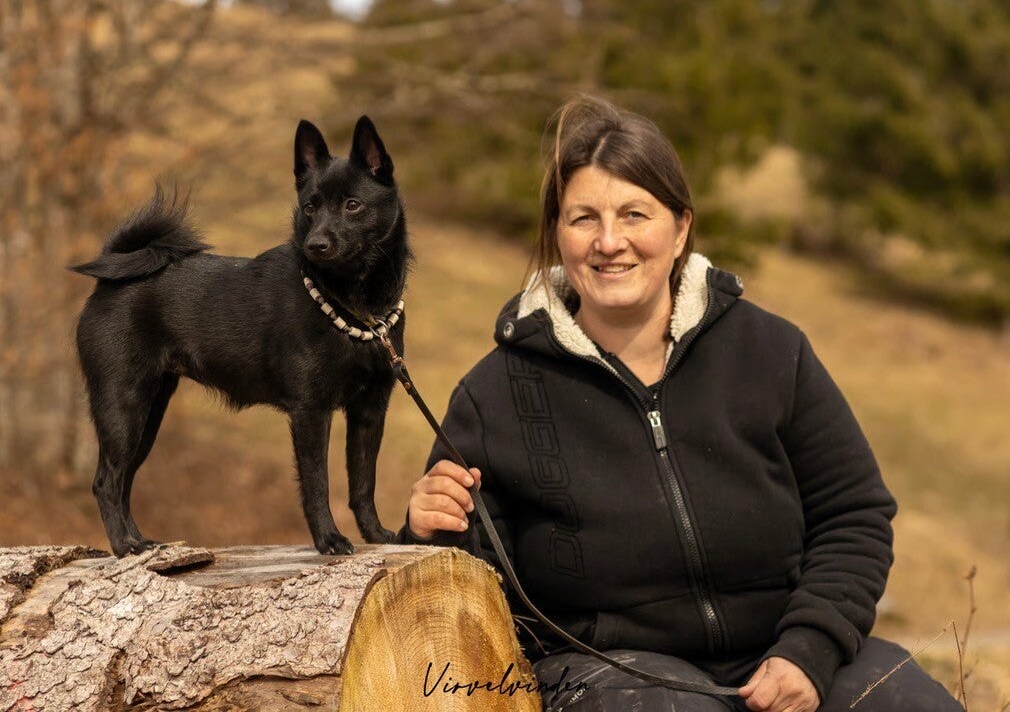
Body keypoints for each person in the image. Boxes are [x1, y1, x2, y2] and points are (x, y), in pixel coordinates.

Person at [397, 95, 961, 712]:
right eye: (583, 218)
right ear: (557, 234)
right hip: (606, 671)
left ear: (681, 227)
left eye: (634, 214)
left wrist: (809, 649)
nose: (609, 241)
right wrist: (427, 534)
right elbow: (470, 593)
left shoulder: (770, 350)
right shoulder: (495, 395)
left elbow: (853, 515)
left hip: (781, 645)